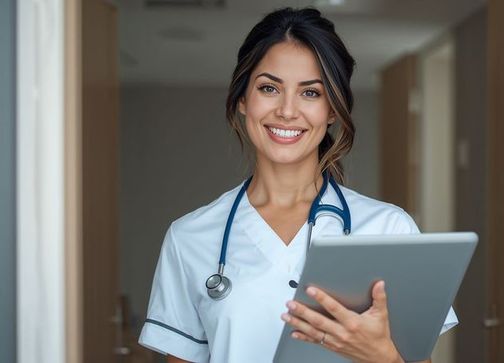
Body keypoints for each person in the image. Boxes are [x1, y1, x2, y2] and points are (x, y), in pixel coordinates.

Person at [138, 7, 457, 363]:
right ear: (243, 99)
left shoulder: (389, 229)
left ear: (333, 110)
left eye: (311, 93)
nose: (287, 111)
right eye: (269, 88)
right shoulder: (190, 238)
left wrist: (385, 357)